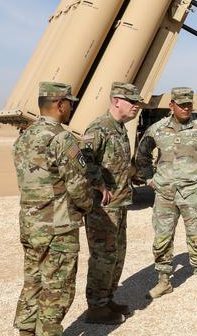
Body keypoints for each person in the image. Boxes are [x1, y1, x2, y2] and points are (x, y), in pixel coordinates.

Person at [13, 82, 99, 336]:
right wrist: (87, 207)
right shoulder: (62, 139)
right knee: (57, 287)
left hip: (30, 225)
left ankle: (26, 331)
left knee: (33, 281)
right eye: (70, 103)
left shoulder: (24, 136)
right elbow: (77, 183)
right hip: (58, 227)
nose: (72, 108)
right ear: (60, 105)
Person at [135, 86, 197, 301]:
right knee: (162, 238)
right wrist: (149, 179)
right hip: (164, 193)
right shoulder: (157, 129)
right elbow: (142, 154)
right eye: (181, 105)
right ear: (172, 106)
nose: (185, 108)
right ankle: (164, 281)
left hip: (193, 193)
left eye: (189, 105)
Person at [80, 82, 142, 324]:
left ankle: (106, 299)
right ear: (116, 101)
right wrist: (97, 183)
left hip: (118, 204)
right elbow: (80, 157)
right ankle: (96, 308)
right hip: (102, 209)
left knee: (116, 255)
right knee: (103, 256)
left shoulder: (118, 128)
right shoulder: (100, 127)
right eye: (132, 101)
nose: (136, 106)